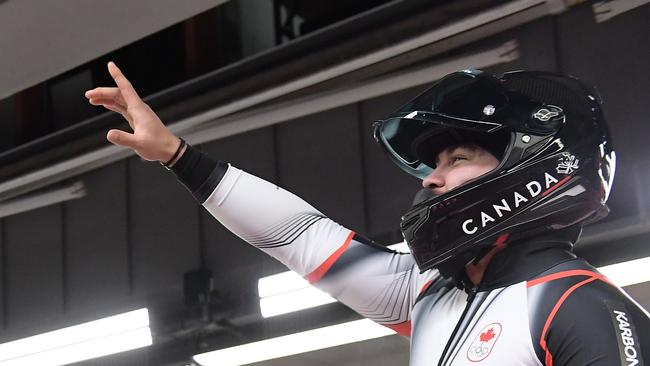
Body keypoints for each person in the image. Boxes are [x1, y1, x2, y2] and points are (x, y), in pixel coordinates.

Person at [86, 62, 649, 365]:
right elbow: (297, 235)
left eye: (457, 157)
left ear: (538, 167)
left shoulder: (578, 307)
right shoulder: (427, 295)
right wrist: (176, 156)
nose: (431, 178)